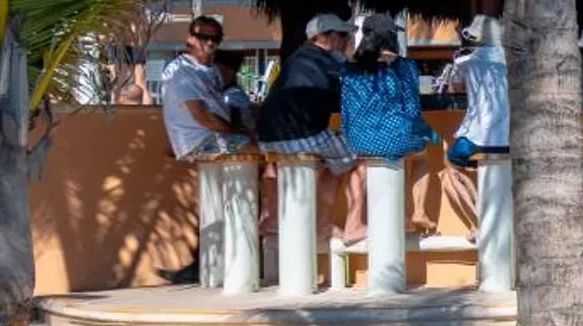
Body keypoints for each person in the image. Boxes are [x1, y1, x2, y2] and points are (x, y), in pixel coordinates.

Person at [257, 13, 359, 239]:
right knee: (353, 152)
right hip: (303, 134)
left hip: (267, 136)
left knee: (276, 163)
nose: (346, 41)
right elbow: (354, 94)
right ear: (325, 37)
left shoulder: (297, 58)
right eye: (342, 35)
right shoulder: (332, 61)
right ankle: (324, 223)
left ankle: (271, 219)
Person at [340, 12, 434, 242]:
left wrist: (349, 133)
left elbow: (346, 107)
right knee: (420, 154)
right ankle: (417, 211)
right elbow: (412, 108)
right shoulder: (406, 66)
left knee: (360, 163)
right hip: (396, 134)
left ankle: (354, 221)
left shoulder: (350, 68)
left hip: (358, 136)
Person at [439, 14, 510, 233]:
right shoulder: (514, 60)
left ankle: (479, 222)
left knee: (451, 168)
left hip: (477, 138)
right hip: (511, 138)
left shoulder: (465, 61)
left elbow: (454, 88)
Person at [158, 15, 251, 163]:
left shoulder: (211, 71)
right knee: (257, 149)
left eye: (216, 38)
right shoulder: (182, 70)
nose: (210, 42)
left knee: (265, 146)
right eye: (203, 37)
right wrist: (234, 130)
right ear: (190, 39)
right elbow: (201, 115)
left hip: (217, 138)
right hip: (198, 145)